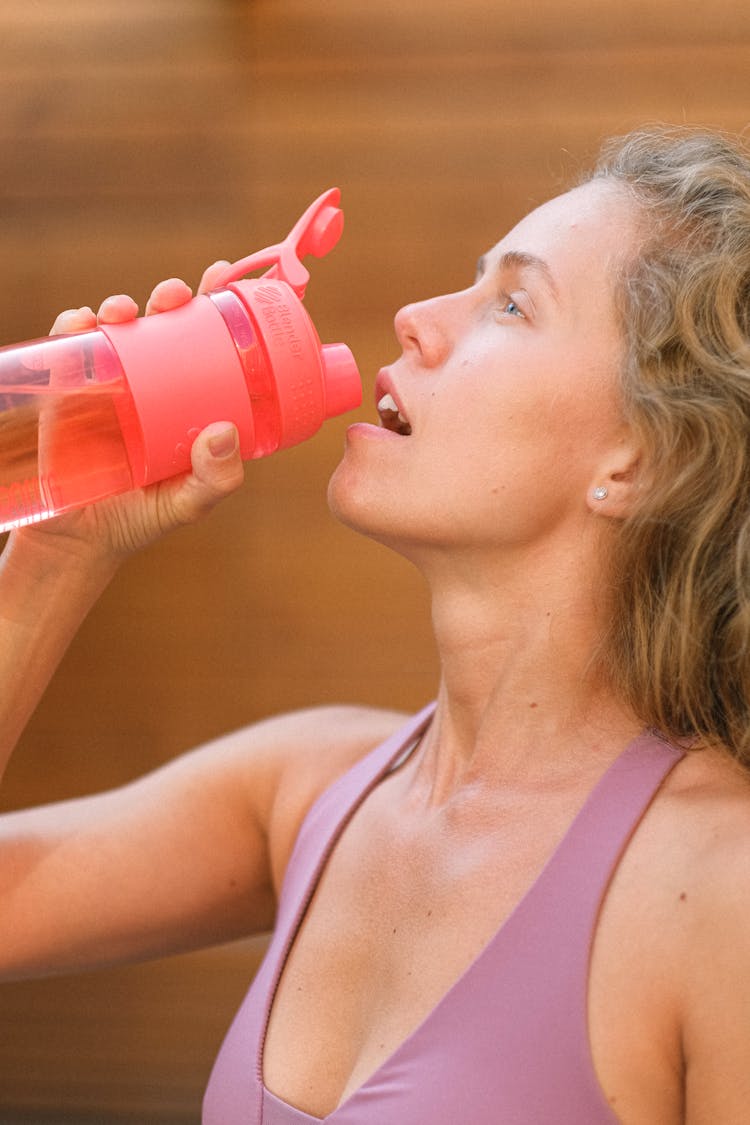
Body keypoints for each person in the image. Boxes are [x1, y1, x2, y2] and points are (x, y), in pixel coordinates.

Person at [2, 124, 750, 1124]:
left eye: (513, 305)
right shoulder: (306, 792)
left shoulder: (719, 889)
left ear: (637, 461)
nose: (417, 318)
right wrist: (60, 554)